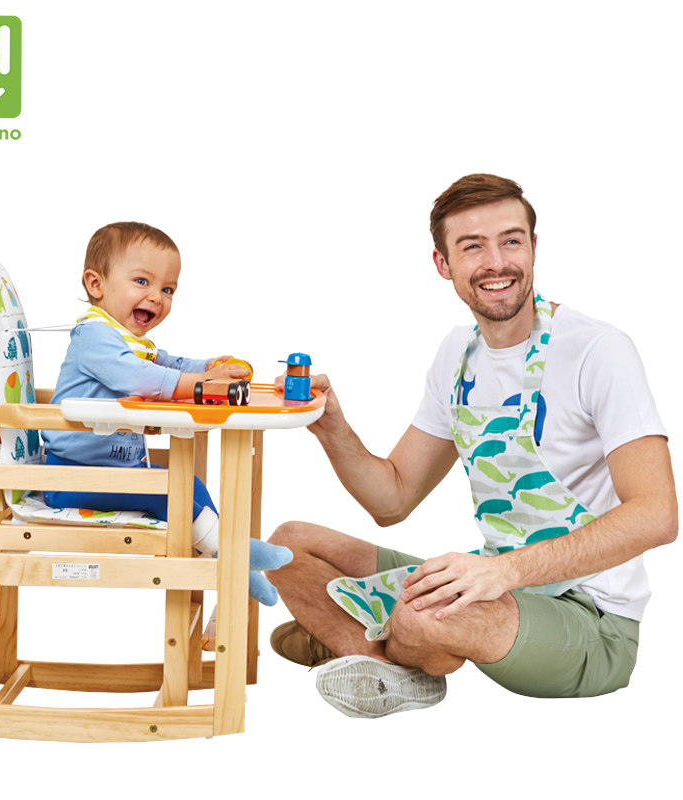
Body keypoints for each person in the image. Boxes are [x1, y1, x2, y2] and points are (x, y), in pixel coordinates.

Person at [267, 174, 678, 717]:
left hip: (592, 619)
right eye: (473, 247)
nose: (497, 262)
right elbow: (393, 500)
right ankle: (382, 662)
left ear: (534, 247)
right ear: (443, 264)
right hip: (491, 586)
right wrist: (332, 428)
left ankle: (365, 640)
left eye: (511, 240)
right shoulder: (458, 356)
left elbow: (657, 516)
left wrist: (504, 572)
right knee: (286, 546)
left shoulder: (598, 350)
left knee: (420, 615)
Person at [41, 221, 291, 603]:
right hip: (72, 477)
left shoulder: (129, 339)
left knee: (191, 486)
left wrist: (208, 367)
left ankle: (232, 562)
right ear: (96, 284)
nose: (156, 297)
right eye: (142, 281)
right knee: (167, 491)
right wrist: (202, 384)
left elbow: (169, 363)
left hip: (116, 473)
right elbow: (138, 376)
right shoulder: (94, 336)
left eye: (168, 289)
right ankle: (238, 556)